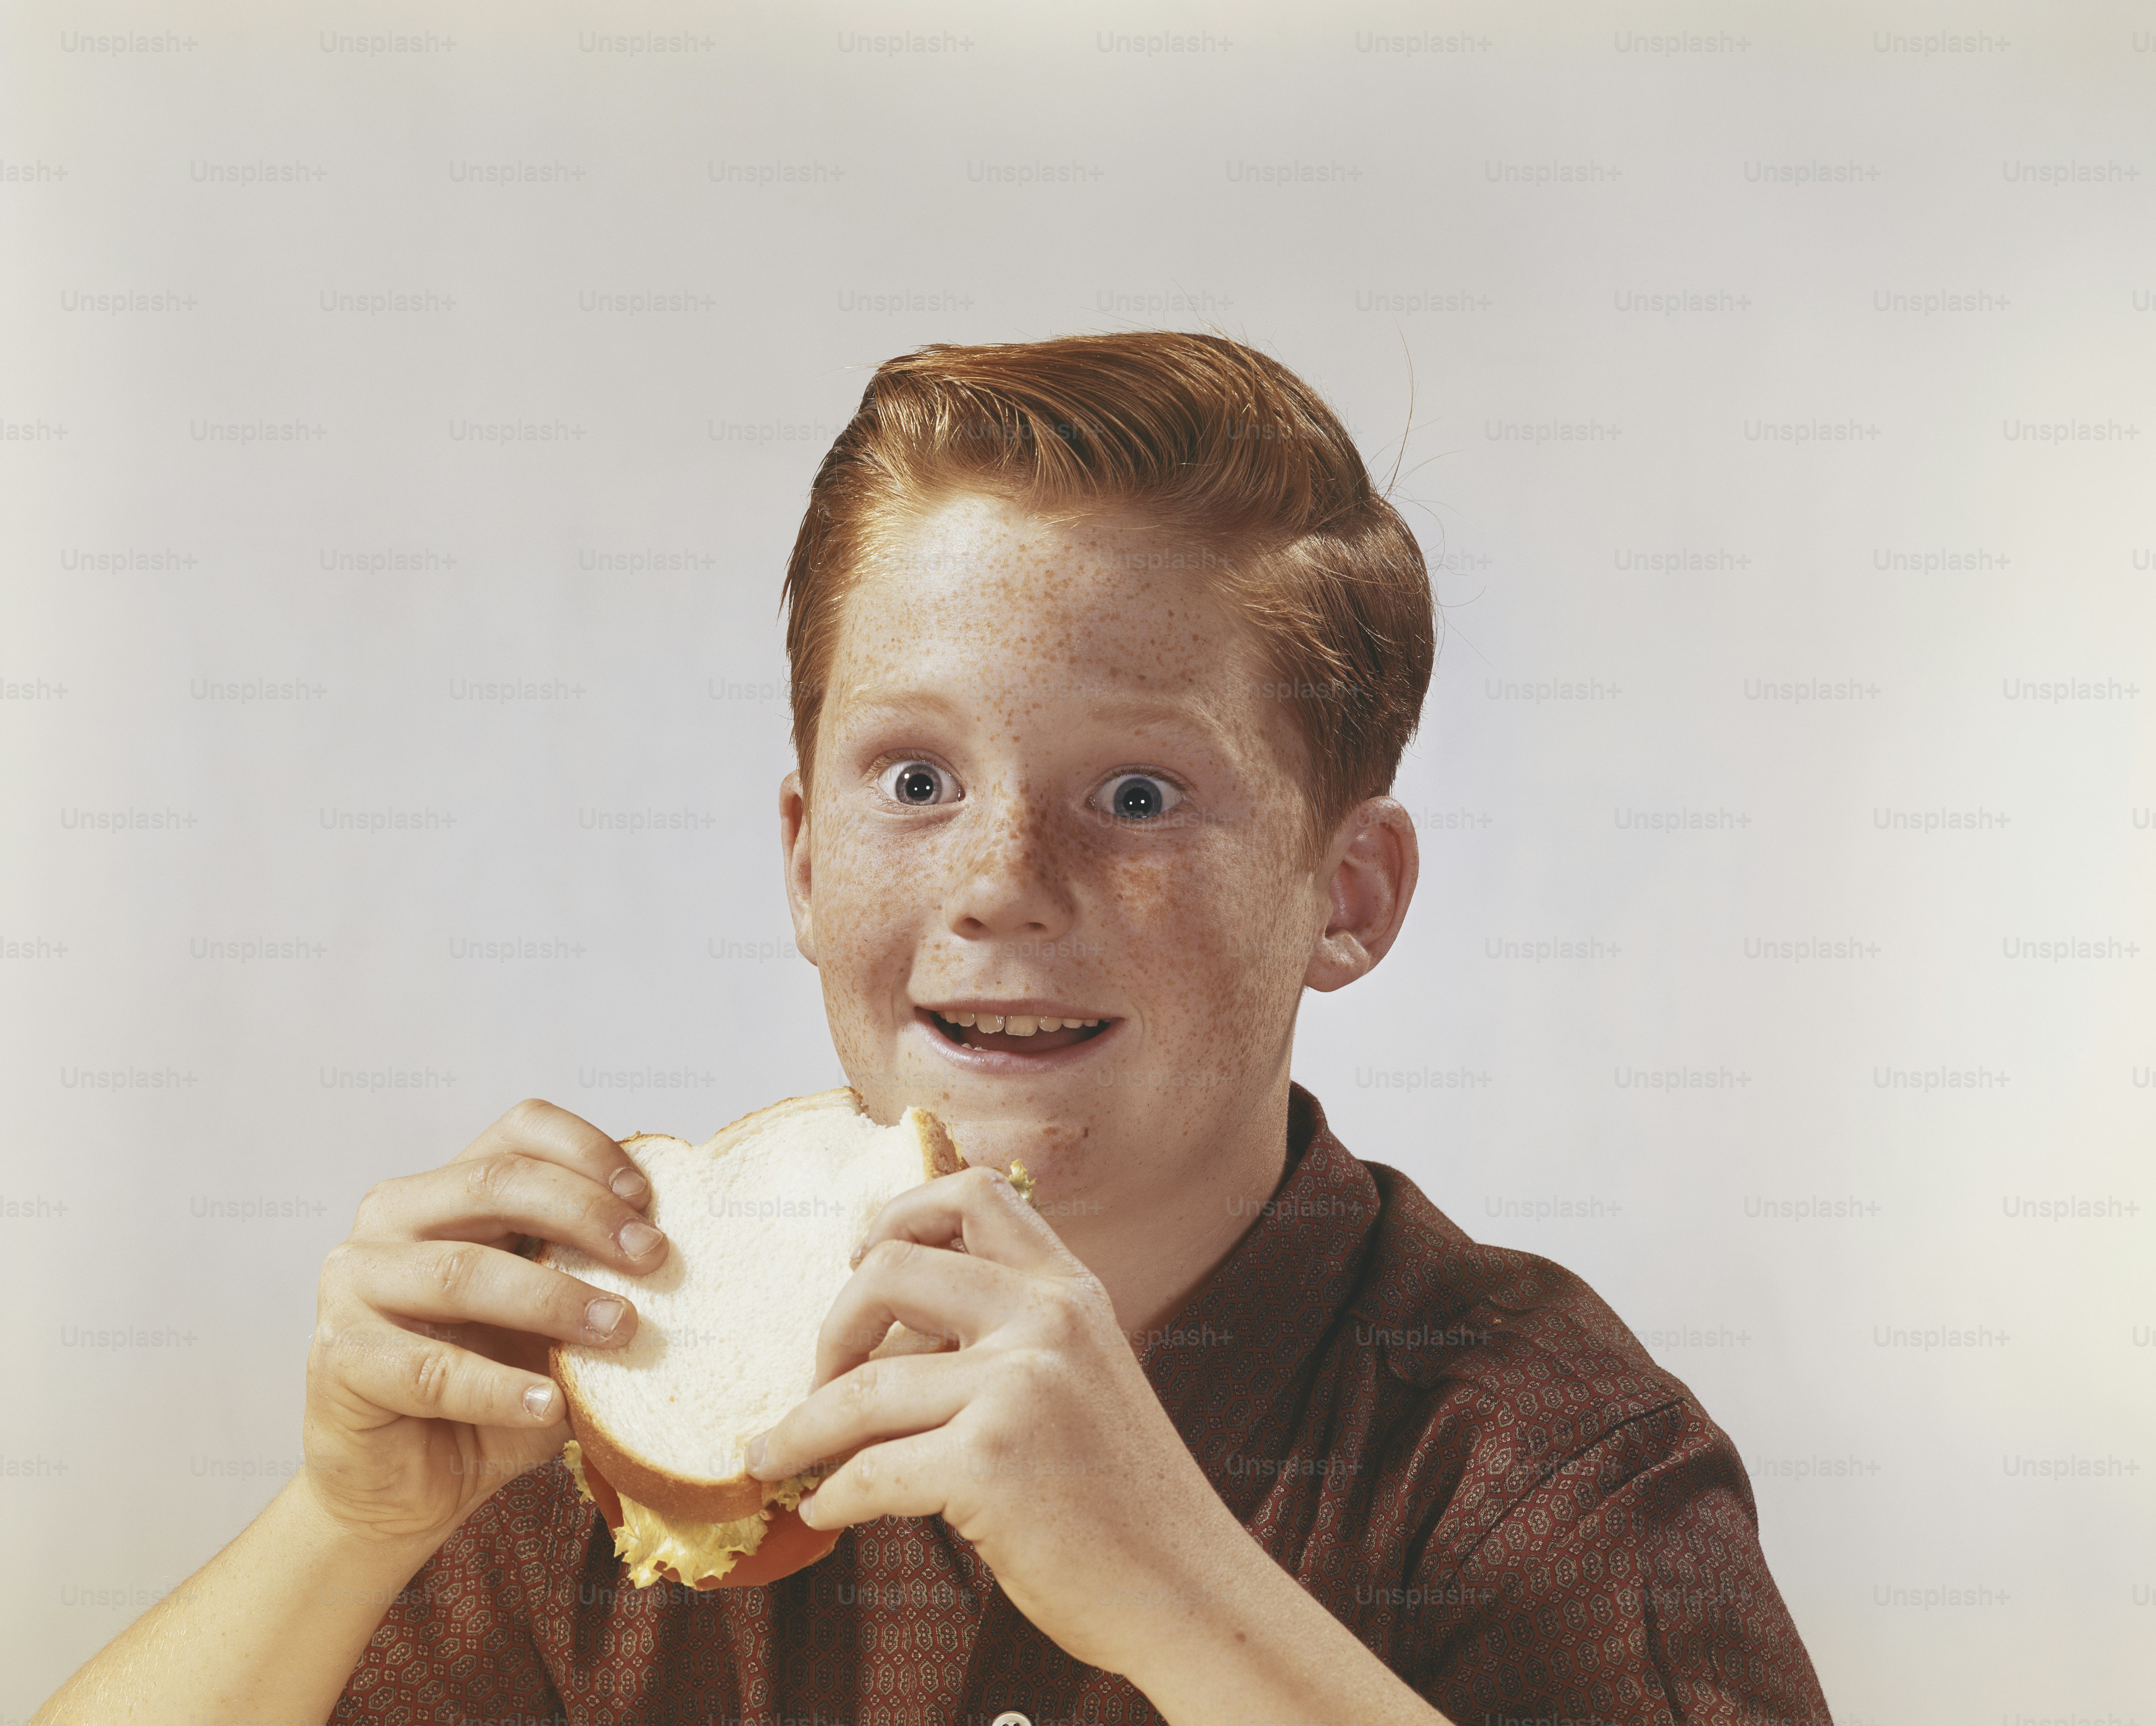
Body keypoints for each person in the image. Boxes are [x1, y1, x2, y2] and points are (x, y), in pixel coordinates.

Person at [36, 333, 1831, 1726]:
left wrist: (1176, 1587)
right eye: (913, 775)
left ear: (1344, 893)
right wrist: (345, 1528)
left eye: (1135, 789)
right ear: (807, 856)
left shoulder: (1536, 1453)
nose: (997, 880)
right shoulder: (605, 1421)